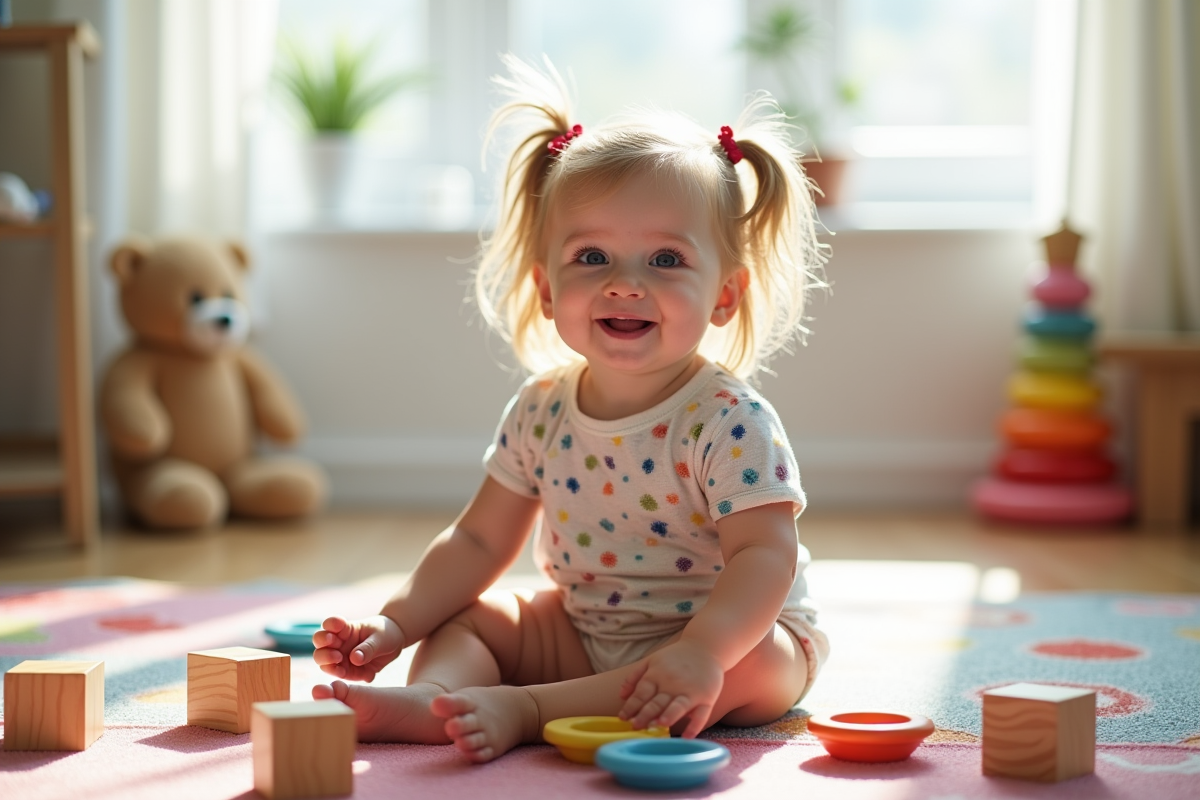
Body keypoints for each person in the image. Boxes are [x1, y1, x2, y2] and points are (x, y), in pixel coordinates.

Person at [312, 55, 830, 763]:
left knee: (760, 662)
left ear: (724, 295)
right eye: (592, 258)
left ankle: (524, 710)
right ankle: (433, 699)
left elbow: (763, 557)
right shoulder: (541, 410)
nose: (624, 285)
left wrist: (704, 649)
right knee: (474, 618)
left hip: (722, 637)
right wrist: (394, 625)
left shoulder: (730, 420)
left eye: (666, 261)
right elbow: (475, 543)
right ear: (547, 288)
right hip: (584, 628)